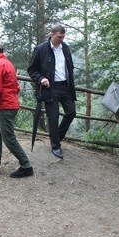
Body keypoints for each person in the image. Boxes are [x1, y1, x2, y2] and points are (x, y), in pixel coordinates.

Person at [0, 42, 33, 178]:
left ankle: (26, 166)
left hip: (5, 106)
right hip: (8, 104)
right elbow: (16, 86)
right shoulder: (8, 64)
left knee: (9, 139)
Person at [27, 24, 76, 159]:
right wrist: (41, 78)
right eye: (59, 37)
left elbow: (69, 67)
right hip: (50, 88)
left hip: (65, 87)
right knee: (53, 117)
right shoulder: (41, 49)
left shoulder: (65, 48)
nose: (61, 39)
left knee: (71, 112)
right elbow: (31, 69)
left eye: (63, 37)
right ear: (52, 34)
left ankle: (57, 137)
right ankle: (55, 146)